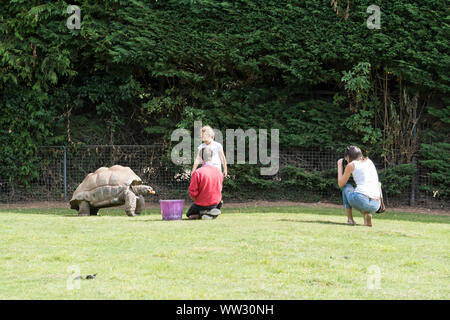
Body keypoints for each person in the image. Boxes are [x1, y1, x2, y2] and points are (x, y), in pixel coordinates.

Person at [337, 145, 381, 227]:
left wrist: (340, 166)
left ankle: (350, 219)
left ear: (347, 157)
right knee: (362, 199)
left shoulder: (351, 165)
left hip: (362, 200)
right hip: (376, 204)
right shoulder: (369, 161)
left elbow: (340, 184)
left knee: (346, 187)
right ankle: (366, 215)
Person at [187, 146, 224, 220]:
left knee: (189, 214)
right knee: (213, 206)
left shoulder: (198, 172)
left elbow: (193, 192)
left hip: (201, 204)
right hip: (216, 203)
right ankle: (210, 213)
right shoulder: (219, 172)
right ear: (212, 157)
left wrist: (195, 199)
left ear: (201, 158)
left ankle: (203, 213)